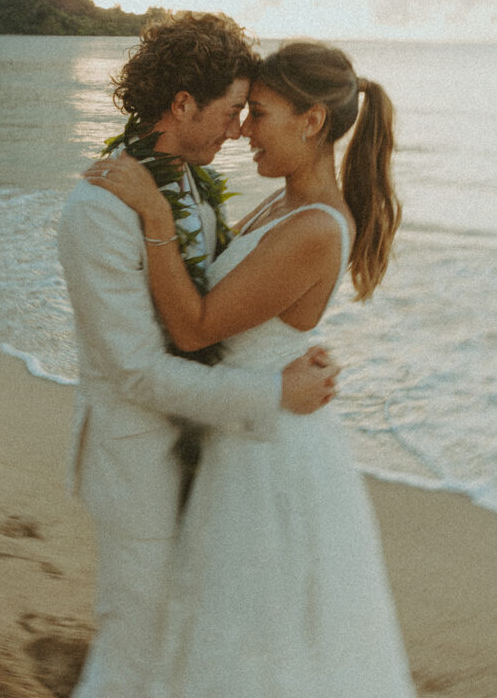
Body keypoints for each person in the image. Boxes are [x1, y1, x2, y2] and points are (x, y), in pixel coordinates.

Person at [86, 40, 416, 698]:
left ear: (310, 121)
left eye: (258, 114)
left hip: (270, 460)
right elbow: (240, 312)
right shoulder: (283, 204)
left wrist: (152, 212)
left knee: (255, 645)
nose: (243, 132)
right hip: (244, 430)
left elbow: (195, 325)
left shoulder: (315, 226)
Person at [57, 17, 341, 698]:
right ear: (182, 104)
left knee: (182, 635)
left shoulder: (185, 188)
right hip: (136, 456)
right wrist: (273, 393)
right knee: (136, 639)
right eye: (230, 110)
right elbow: (135, 371)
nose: (238, 129)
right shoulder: (98, 210)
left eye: (249, 112)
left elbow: (215, 304)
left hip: (203, 448)